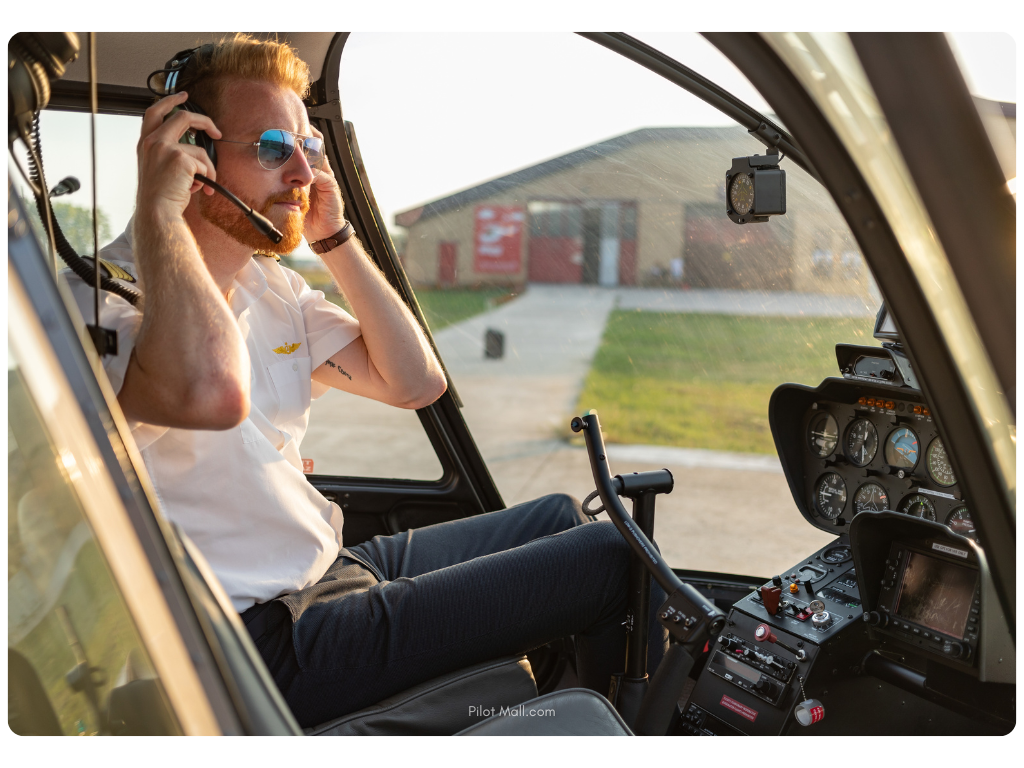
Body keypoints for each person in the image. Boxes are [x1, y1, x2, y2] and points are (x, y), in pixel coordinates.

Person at [68, 34, 667, 727]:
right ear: (193, 156)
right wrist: (158, 209)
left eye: (309, 149)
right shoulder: (101, 301)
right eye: (272, 147)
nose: (302, 173)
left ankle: (547, 713)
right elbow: (211, 392)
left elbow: (415, 383)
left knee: (559, 518)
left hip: (327, 571)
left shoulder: (273, 286)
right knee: (608, 556)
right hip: (253, 640)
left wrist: (336, 239)